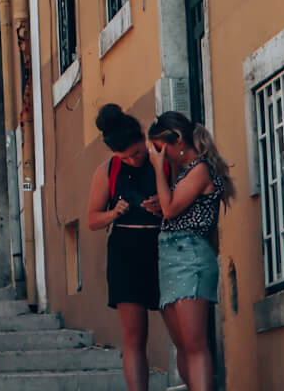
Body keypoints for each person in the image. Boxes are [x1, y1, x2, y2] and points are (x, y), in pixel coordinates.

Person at [147, 111, 233, 391]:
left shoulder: (201, 168)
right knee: (182, 345)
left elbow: (172, 209)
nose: (161, 156)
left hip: (190, 256)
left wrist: (159, 172)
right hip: (171, 256)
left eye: (162, 149)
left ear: (178, 140)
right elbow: (175, 208)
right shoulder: (186, 172)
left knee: (194, 345)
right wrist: (160, 201)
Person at [86, 103, 165, 391]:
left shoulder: (159, 160)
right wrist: (113, 213)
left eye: (137, 152)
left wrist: (163, 204)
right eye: (127, 157)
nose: (134, 160)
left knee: (181, 328)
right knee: (134, 336)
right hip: (125, 251)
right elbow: (92, 220)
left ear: (143, 139)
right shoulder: (106, 171)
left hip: (160, 246)